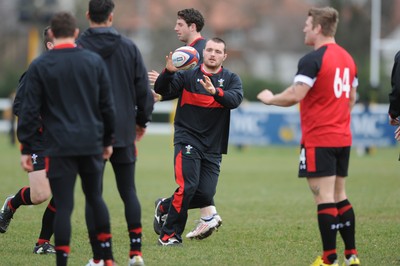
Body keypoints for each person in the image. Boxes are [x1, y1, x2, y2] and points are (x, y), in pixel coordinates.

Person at [257, 7, 360, 266]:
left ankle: (329, 260)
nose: (304, 28)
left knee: (323, 197)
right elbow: (351, 99)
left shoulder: (313, 59)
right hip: (343, 137)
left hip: (320, 139)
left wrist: (270, 99)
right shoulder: (349, 59)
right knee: (340, 194)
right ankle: (351, 255)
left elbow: (295, 95)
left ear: (317, 28)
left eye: (307, 24)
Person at [17, 12, 116, 266]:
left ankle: (61, 260)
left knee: (64, 203)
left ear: (52, 36)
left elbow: (28, 111)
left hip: (59, 144)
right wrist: (108, 140)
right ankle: (106, 258)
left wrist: (26, 148)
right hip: (90, 142)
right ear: (75, 34)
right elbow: (106, 105)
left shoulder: (40, 65)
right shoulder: (93, 60)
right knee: (95, 198)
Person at [76, 0, 154, 265]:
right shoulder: (129, 47)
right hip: (122, 129)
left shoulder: (78, 47)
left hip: (88, 132)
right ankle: (136, 253)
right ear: (111, 16)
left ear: (88, 15)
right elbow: (143, 90)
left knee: (93, 195)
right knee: (128, 191)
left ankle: (99, 257)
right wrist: (141, 122)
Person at [154, 37, 243, 245]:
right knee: (188, 186)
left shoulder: (231, 79)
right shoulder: (187, 76)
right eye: (210, 50)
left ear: (224, 56)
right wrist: (168, 72)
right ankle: (169, 235)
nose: (213, 54)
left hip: (213, 145)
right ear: (203, 53)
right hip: (187, 138)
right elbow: (161, 91)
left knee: (205, 194)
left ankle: (165, 207)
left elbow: (234, 100)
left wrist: (215, 92)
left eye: (218, 51)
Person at [151, 8, 223, 241]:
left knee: (200, 187)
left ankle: (173, 208)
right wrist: (165, 84)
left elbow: (202, 87)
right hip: (191, 130)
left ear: (192, 27)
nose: (175, 28)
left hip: (207, 130)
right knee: (192, 184)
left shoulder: (201, 52)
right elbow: (182, 86)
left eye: (180, 24)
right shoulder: (186, 54)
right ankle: (200, 218)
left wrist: (165, 88)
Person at [0, 26, 57, 255]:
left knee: (63, 192)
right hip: (39, 141)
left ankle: (42, 243)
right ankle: (11, 203)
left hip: (65, 141)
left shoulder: (74, 68)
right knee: (40, 196)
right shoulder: (37, 69)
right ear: (50, 45)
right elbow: (19, 106)